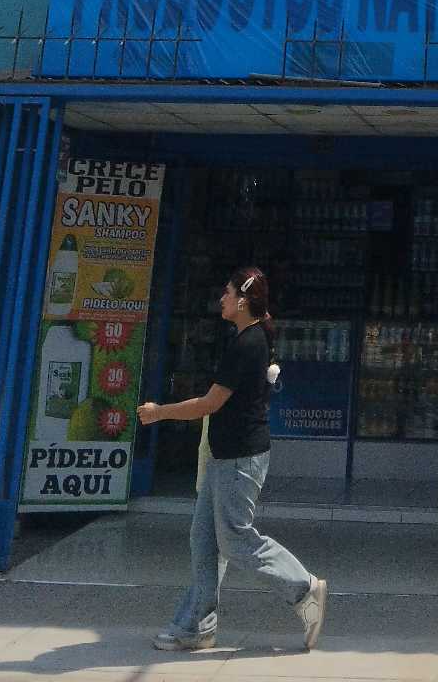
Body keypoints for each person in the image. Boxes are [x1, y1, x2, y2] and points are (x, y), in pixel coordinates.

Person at [137, 266, 327, 653]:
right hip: (225, 456)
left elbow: (209, 403)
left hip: (240, 460)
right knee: (204, 540)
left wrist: (160, 413)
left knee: (236, 539)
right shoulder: (244, 338)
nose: (221, 299)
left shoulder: (248, 344)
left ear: (243, 301)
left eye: (227, 293)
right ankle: (197, 626)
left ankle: (304, 588)